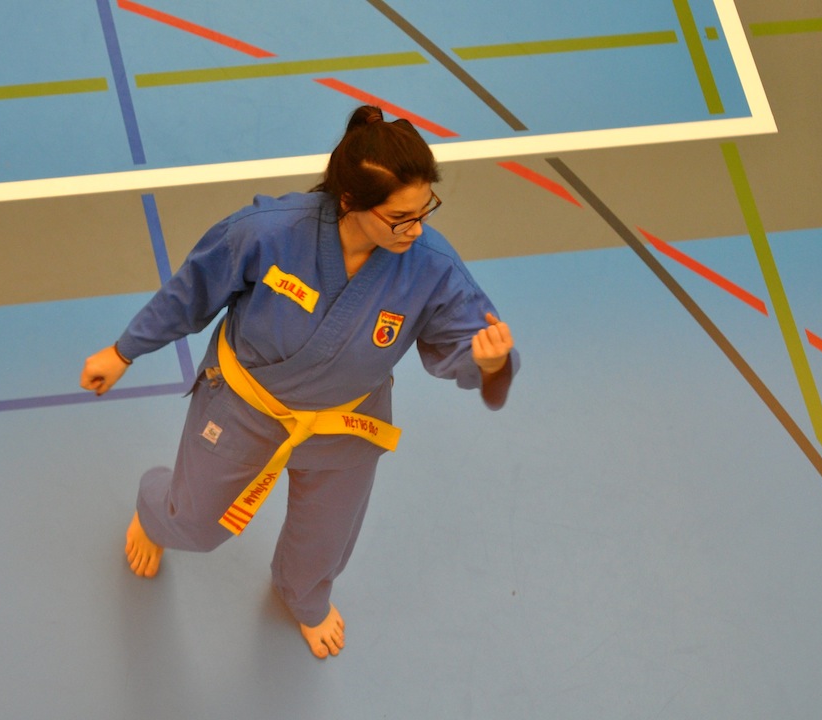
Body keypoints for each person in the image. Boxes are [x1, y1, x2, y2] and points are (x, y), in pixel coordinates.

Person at [80, 105, 518, 659]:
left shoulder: (431, 265)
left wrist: (490, 363)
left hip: (348, 420)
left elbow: (468, 342)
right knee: (193, 523)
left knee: (324, 542)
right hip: (245, 407)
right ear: (350, 201)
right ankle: (154, 512)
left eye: (424, 209)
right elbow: (190, 293)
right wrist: (125, 350)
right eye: (400, 217)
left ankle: (303, 596)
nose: (417, 228)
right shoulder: (268, 232)